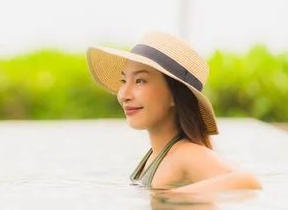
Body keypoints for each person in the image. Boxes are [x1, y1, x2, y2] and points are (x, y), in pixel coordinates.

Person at [86, 30, 262, 192]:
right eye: (124, 81)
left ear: (174, 95)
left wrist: (173, 198)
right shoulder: (156, 156)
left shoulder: (184, 154)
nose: (124, 95)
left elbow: (249, 181)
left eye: (140, 81)